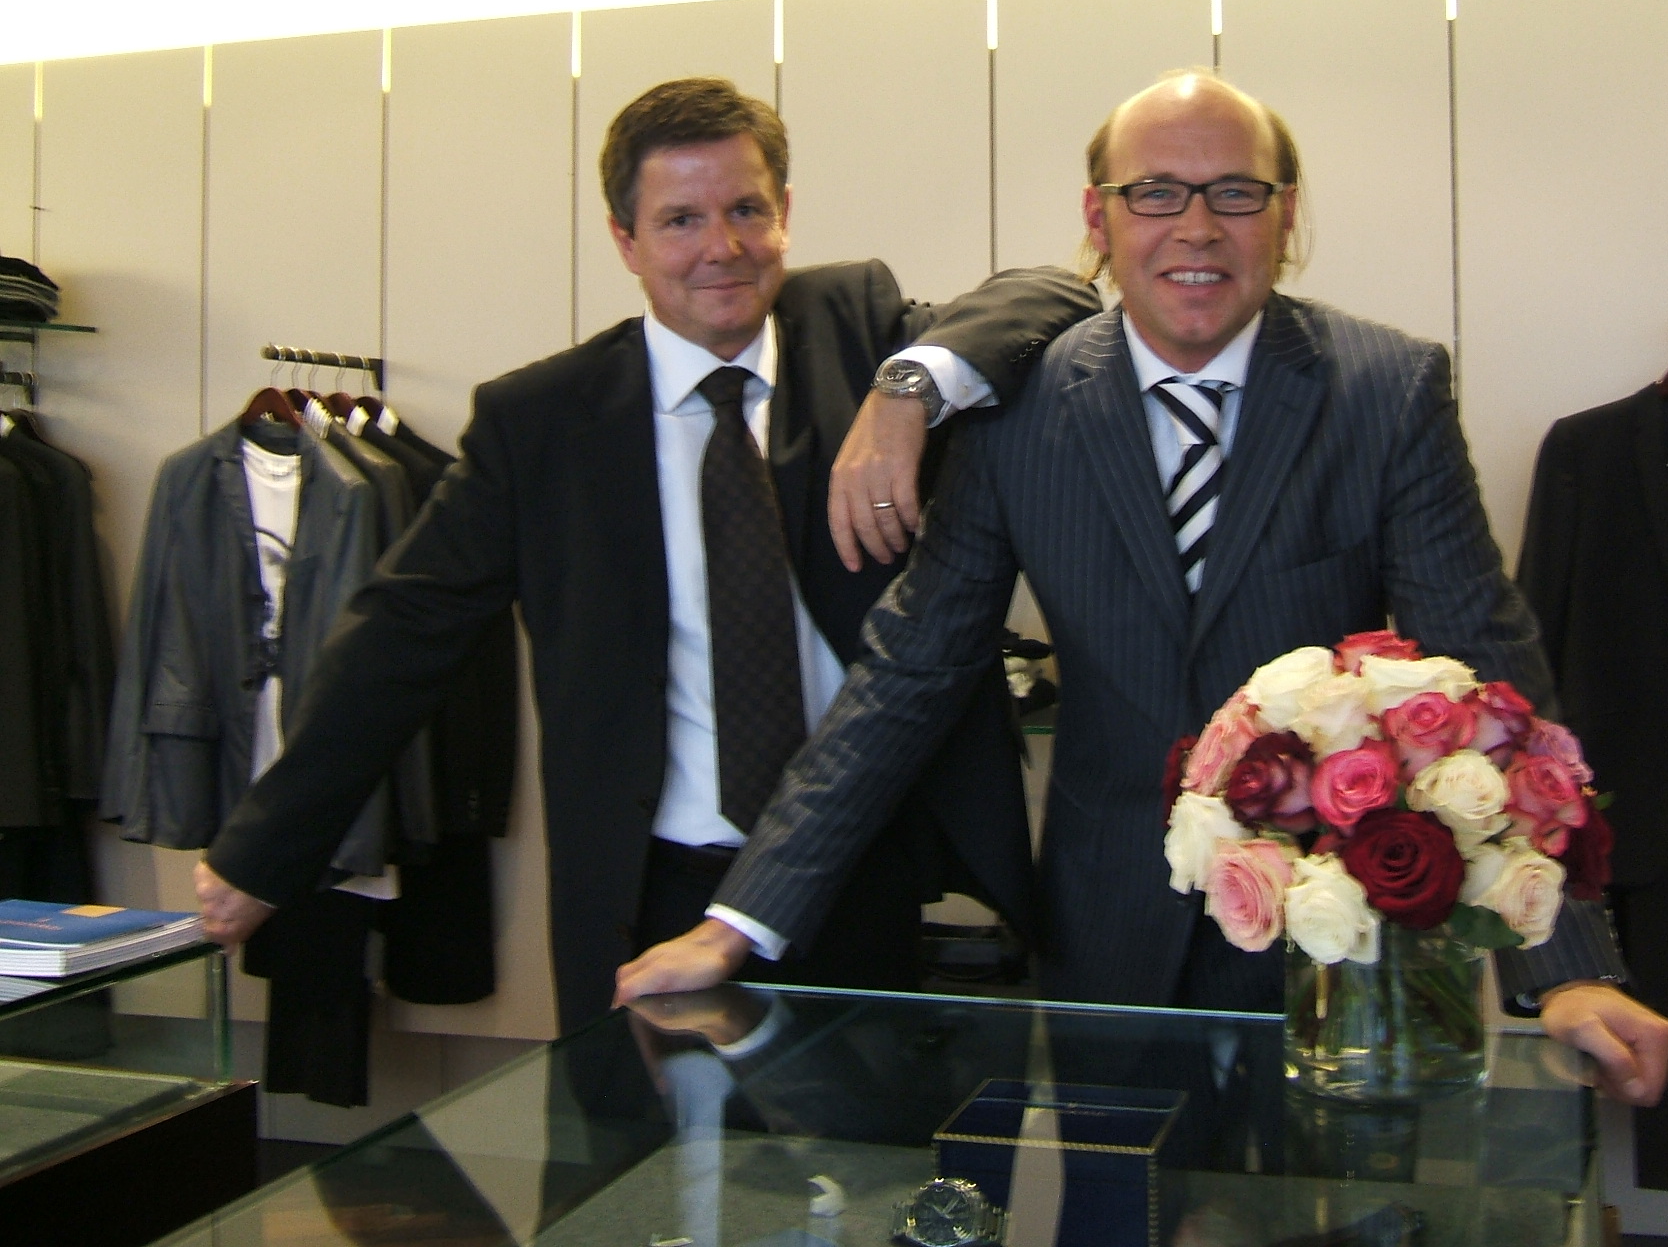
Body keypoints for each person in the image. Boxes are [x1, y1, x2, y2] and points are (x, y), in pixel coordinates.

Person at [622, 72, 1668, 1105]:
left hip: (1337, 948)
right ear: (1100, 218)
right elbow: (907, 673)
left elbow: (1488, 672)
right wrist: (739, 921)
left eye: (1235, 192)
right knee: (1113, 1195)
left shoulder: (1385, 391)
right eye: (1155, 193)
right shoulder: (1017, 411)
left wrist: (1568, 969)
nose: (1196, 227)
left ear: (1285, 214)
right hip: (1106, 934)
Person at [191, 78, 1099, 1034]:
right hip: (650, 887)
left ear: (785, 213)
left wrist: (908, 390)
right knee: (644, 1134)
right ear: (625, 240)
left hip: (864, 871)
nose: (723, 247)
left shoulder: (857, 327)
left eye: (746, 209)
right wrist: (264, 850)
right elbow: (400, 636)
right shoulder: (539, 423)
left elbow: (1053, 293)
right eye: (680, 220)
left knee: (876, 1130)